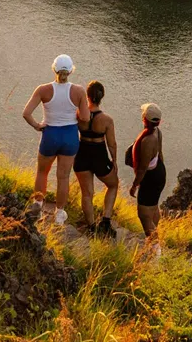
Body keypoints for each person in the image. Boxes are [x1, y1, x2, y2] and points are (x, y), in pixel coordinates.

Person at [22, 54, 88, 224]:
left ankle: (38, 205)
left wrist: (37, 125)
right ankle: (59, 213)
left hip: (50, 134)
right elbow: (86, 118)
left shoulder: (43, 90)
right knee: (63, 176)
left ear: (54, 69)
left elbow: (26, 113)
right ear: (71, 71)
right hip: (70, 136)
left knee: (42, 172)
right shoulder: (79, 91)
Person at [74, 81, 121, 236]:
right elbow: (111, 144)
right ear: (102, 97)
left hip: (82, 154)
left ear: (87, 96)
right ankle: (105, 221)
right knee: (113, 185)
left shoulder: (78, 114)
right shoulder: (106, 119)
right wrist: (114, 161)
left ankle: (91, 228)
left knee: (87, 193)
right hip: (99, 156)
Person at [127, 103, 168, 240]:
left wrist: (134, 185)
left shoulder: (147, 140)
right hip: (159, 171)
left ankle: (155, 249)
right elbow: (160, 154)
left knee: (144, 214)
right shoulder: (157, 132)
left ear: (144, 118)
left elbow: (143, 168)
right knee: (153, 207)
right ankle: (153, 240)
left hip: (150, 177)